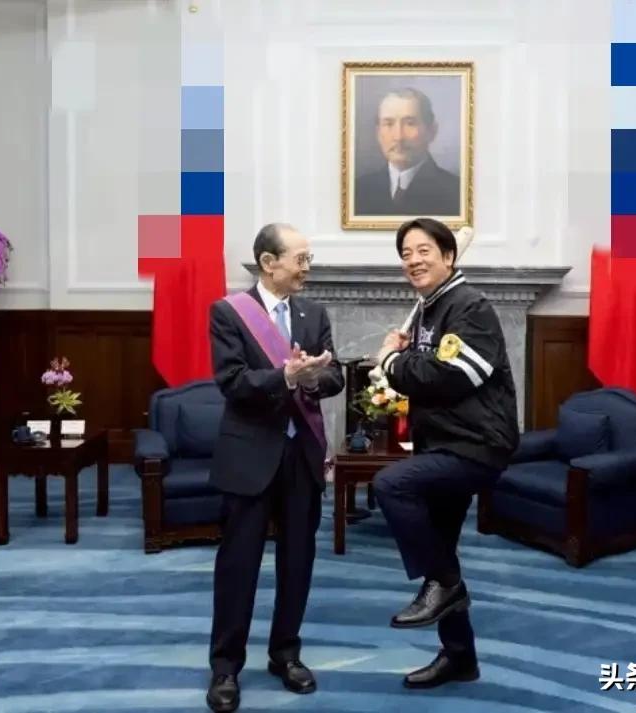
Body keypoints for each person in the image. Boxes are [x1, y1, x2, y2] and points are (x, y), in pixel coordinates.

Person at [371, 217, 520, 689]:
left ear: (449, 256)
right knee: (441, 551)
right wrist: (406, 358)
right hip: (443, 442)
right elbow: (429, 372)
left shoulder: (469, 306)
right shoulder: (430, 309)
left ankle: (447, 585)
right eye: (406, 254)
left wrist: (393, 361)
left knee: (390, 484)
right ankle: (460, 656)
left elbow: (454, 376)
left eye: (424, 251)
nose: (413, 261)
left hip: (477, 445)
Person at [205, 223, 345, 713]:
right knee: (238, 564)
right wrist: (284, 376)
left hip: (301, 455)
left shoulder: (313, 313)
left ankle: (285, 653)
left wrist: (313, 379)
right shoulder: (229, 312)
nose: (307, 268)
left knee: (298, 560)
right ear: (269, 263)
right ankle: (225, 667)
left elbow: (335, 375)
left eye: (308, 259)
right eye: (300, 259)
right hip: (250, 456)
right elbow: (232, 382)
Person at [354, 87, 461, 217]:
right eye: (388, 124)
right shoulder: (358, 190)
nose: (398, 137)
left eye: (410, 124)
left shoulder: (456, 192)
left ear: (431, 131)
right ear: (378, 132)